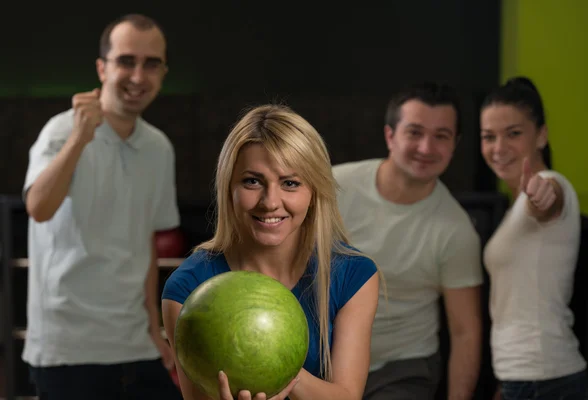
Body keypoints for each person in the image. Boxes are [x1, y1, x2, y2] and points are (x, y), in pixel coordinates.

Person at [161, 104, 380, 400]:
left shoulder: (354, 275)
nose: (270, 202)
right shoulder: (187, 288)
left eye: (291, 183)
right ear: (229, 188)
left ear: (314, 192)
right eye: (253, 181)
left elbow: (347, 396)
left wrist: (278, 368)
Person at [21, 13, 182, 399]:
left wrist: (153, 329)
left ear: (162, 72)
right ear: (102, 68)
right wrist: (80, 137)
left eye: (151, 63)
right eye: (126, 61)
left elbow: (144, 242)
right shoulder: (61, 131)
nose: (139, 76)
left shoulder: (159, 147)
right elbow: (38, 208)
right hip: (67, 349)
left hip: (135, 344)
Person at [332, 82, 483, 400]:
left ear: (454, 144)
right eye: (414, 132)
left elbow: (465, 332)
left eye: (441, 136)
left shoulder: (456, 231)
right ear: (390, 135)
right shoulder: (333, 187)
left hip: (401, 369)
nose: (426, 148)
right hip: (323, 355)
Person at [480, 77, 588, 400]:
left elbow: (549, 200)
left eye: (513, 133)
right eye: (489, 137)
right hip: (525, 377)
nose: (498, 148)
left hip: (545, 379)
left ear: (541, 135)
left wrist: (542, 197)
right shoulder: (513, 206)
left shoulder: (551, 183)